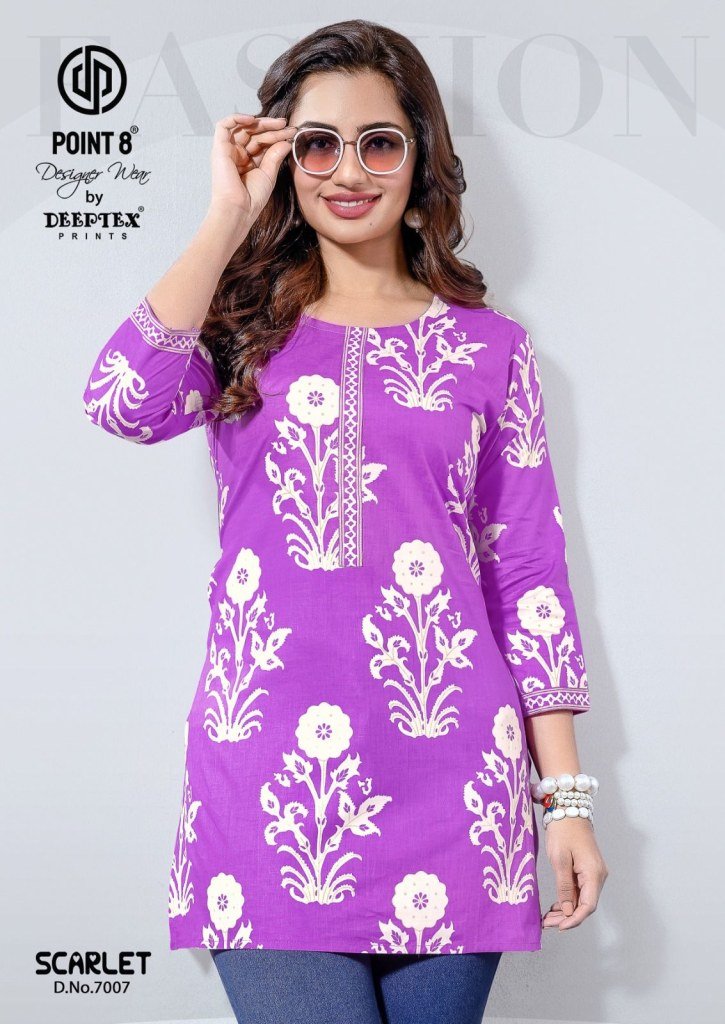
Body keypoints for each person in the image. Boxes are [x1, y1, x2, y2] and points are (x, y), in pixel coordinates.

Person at [81, 18, 608, 1024]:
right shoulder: (236, 331)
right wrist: (226, 215)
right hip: (266, 786)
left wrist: (567, 804)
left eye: (379, 142)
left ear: (421, 156)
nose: (349, 171)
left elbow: (527, 574)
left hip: (456, 787)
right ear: (284, 158)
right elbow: (120, 401)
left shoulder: (490, 350)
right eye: (317, 144)